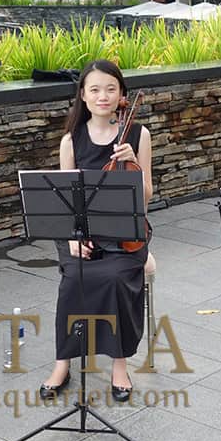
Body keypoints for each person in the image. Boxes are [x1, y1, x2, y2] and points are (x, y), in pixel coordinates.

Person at [40, 59, 152, 404]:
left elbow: (145, 197)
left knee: (117, 280)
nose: (103, 96)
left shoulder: (138, 134)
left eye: (110, 88)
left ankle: (119, 364)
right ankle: (63, 363)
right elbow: (65, 205)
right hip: (81, 233)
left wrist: (132, 165)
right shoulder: (71, 140)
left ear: (122, 94)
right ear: (83, 97)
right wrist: (74, 239)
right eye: (95, 89)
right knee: (74, 280)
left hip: (126, 233)